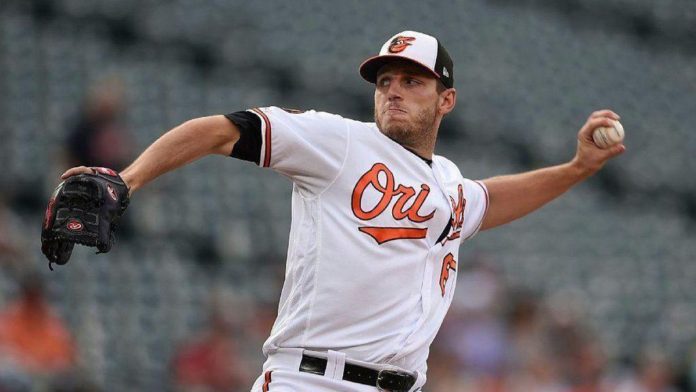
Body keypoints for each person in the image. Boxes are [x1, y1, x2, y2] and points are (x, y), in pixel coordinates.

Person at [59, 31, 626, 392]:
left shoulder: (449, 183)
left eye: (412, 81)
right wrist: (128, 178)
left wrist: (576, 169)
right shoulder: (339, 143)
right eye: (385, 81)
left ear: (446, 100)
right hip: (309, 380)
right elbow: (219, 130)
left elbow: (493, 199)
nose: (393, 91)